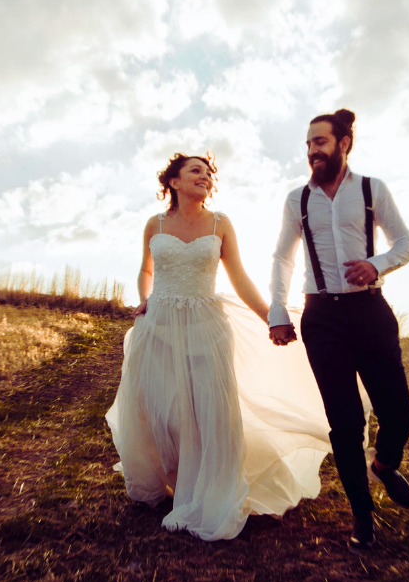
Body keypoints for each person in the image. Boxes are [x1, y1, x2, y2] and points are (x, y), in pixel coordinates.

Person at [105, 153, 331, 541]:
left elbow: (239, 276)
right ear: (173, 182)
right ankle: (173, 478)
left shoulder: (220, 223)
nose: (206, 177)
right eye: (196, 170)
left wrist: (270, 316)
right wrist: (144, 296)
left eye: (209, 173)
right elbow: (146, 269)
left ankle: (211, 492)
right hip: (158, 324)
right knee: (163, 408)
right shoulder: (154, 224)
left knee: (210, 409)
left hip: (205, 325)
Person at [269, 109, 409, 550]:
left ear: (344, 143)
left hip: (370, 312)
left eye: (321, 142)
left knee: (399, 413)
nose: (313, 150)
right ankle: (362, 516)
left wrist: (376, 265)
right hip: (322, 318)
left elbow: (405, 242)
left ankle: (385, 466)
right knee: (345, 421)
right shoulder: (297, 199)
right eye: (309, 143)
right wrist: (278, 309)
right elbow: (282, 257)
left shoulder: (372, 189)